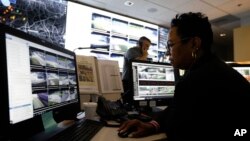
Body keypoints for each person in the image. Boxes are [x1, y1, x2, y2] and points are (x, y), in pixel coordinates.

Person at [118, 12, 250, 140]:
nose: (167, 52)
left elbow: (178, 130)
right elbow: (175, 108)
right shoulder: (210, 67)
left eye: (170, 45)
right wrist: (153, 124)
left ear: (194, 44)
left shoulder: (198, 79)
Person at [121, 36, 151, 105]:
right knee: (128, 102)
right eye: (146, 45)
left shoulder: (142, 54)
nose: (147, 48)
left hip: (137, 81)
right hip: (128, 81)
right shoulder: (131, 51)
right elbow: (137, 64)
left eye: (148, 46)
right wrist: (145, 55)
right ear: (139, 44)